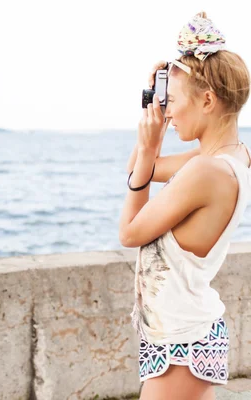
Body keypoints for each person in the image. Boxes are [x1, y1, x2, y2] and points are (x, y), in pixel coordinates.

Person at [119, 12, 250, 400]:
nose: (167, 112)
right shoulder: (232, 157)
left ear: (207, 99)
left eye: (171, 102)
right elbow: (139, 169)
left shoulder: (206, 171)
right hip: (181, 334)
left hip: (182, 342)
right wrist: (152, 114)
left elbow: (129, 232)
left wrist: (148, 144)